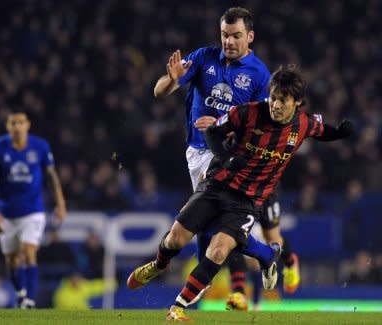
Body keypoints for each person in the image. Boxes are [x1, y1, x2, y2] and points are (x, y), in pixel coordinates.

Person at [128, 66, 353, 322]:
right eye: (274, 97)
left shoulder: (303, 123)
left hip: (247, 201)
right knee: (175, 240)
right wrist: (226, 157)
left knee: (219, 250)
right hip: (217, 186)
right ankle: (160, 265)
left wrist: (341, 132)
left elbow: (324, 131)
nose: (276, 105)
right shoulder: (248, 113)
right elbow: (212, 132)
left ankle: (176, 308)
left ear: (297, 102)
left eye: (283, 100)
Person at [153, 6, 300, 310]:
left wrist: (222, 129)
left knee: (216, 221)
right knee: (211, 223)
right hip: (195, 152)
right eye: (224, 35)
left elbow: (263, 126)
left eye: (235, 36)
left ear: (250, 36)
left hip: (228, 156)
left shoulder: (260, 75)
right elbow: (159, 92)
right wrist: (171, 80)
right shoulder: (204, 57)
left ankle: (234, 284)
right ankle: (266, 256)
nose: (229, 41)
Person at [0, 108, 67, 309]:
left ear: (28, 125)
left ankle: (29, 300)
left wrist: (61, 203)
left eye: (21, 123)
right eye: (13, 123)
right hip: (7, 213)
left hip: (33, 211)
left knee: (29, 252)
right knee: (12, 261)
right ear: (7, 126)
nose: (17, 127)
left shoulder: (40, 146)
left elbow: (52, 176)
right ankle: (21, 293)